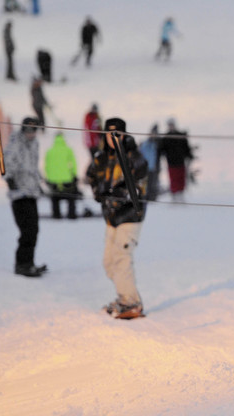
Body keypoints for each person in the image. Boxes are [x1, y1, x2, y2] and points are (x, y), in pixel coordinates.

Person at [86, 117, 149, 319]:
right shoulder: (101, 156)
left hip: (130, 216)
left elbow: (141, 184)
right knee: (109, 262)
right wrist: (98, 191)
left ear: (123, 134)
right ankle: (123, 297)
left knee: (122, 258)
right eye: (110, 135)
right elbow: (91, 175)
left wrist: (121, 195)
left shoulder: (134, 156)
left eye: (117, 134)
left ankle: (131, 302)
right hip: (111, 216)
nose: (113, 139)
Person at [4, 118, 47, 276]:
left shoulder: (35, 144)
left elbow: (33, 167)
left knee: (34, 230)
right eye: (29, 130)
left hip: (31, 192)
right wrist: (9, 179)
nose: (32, 134)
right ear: (23, 130)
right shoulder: (15, 143)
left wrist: (39, 184)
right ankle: (21, 264)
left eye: (34, 130)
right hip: (19, 194)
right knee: (27, 231)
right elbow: (6, 163)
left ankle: (29, 263)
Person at [44, 132, 79, 219]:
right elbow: (73, 164)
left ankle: (56, 214)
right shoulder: (68, 150)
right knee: (71, 197)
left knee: (55, 198)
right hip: (67, 179)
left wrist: (48, 177)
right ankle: (71, 214)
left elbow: (47, 166)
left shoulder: (49, 151)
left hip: (53, 180)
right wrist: (74, 175)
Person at [160, 118, 194, 200]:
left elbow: (186, 148)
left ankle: (181, 194)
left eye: (172, 124)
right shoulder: (165, 138)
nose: (171, 126)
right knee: (173, 178)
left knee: (181, 178)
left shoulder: (181, 136)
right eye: (169, 125)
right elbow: (162, 149)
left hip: (180, 161)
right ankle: (174, 195)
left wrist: (189, 155)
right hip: (171, 162)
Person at [139, 125, 161, 201]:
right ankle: (146, 196)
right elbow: (141, 152)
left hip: (154, 167)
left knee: (153, 182)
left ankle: (152, 197)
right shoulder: (146, 143)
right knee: (146, 183)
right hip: (146, 167)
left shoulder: (158, 144)